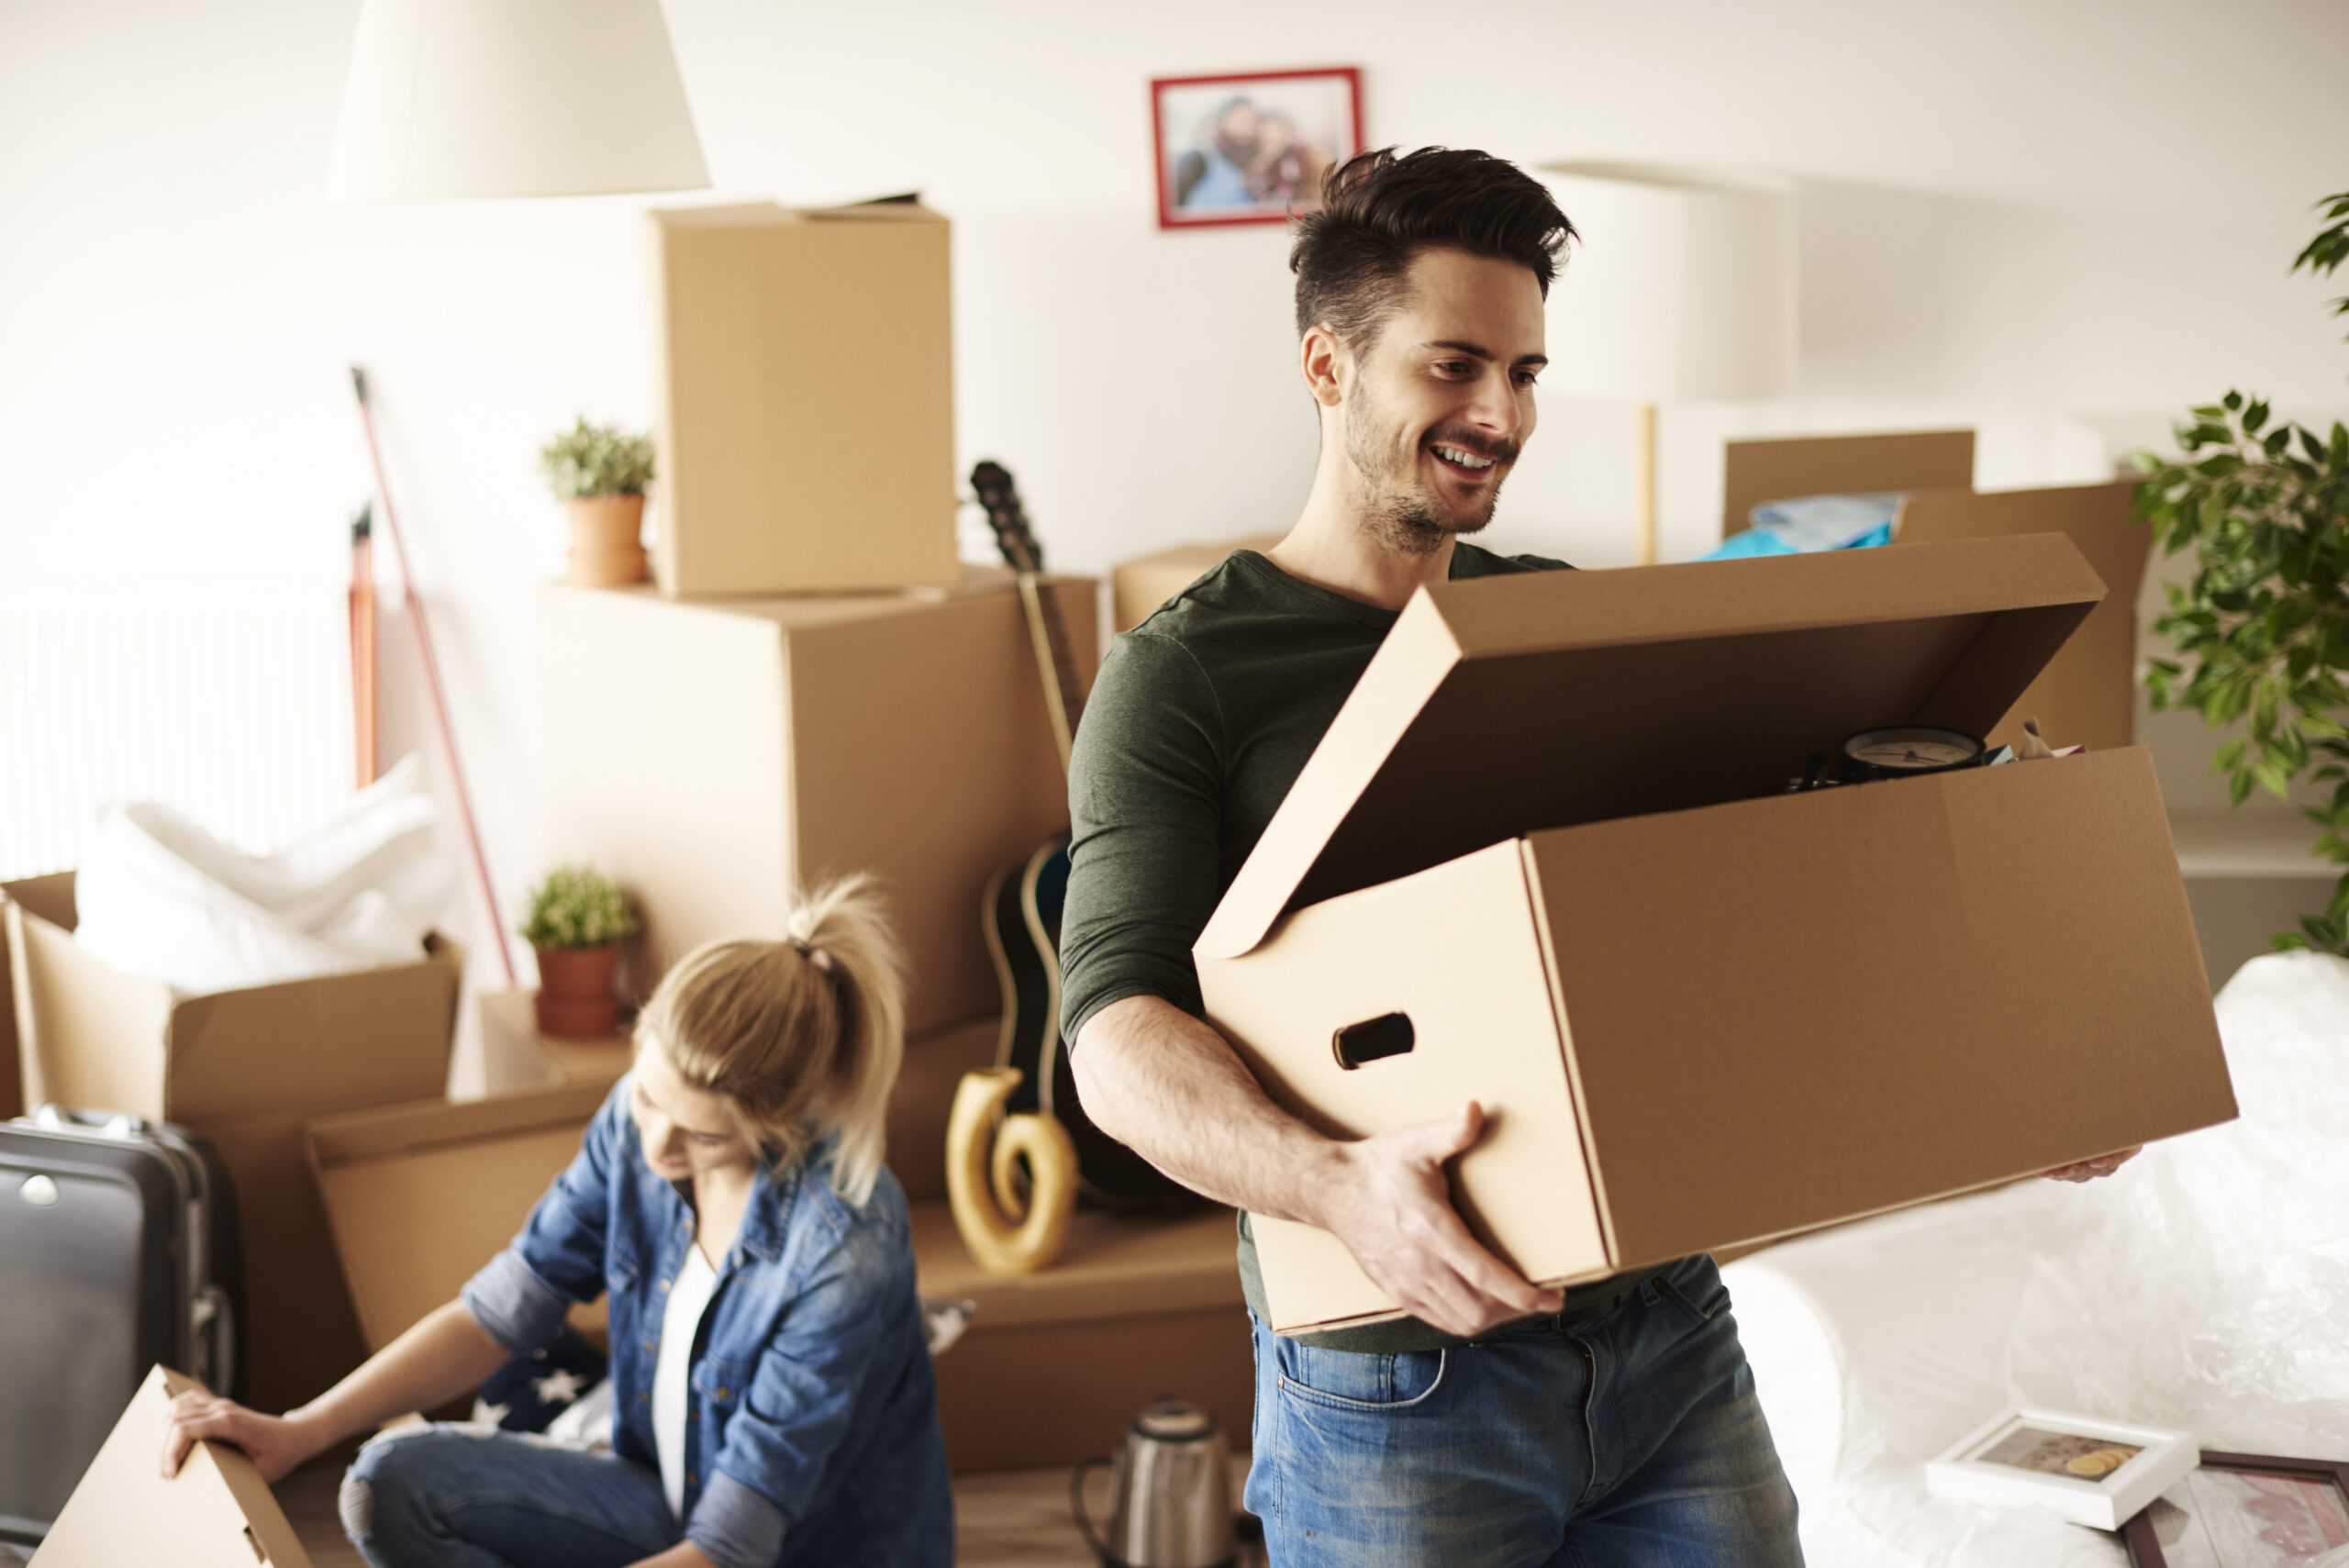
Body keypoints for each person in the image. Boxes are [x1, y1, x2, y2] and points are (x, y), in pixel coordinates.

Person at [1059, 145, 2136, 1566]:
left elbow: (1767, 897)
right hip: (1399, 1375)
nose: (1500, 414)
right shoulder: (1186, 673)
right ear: (1328, 366)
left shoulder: (1550, 621)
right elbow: (1113, 1033)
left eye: (1525, 373)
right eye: (1454, 366)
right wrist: (1335, 1186)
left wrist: (2019, 1059)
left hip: (1664, 1325)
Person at [160, 877, 953, 1568]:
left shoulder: (842, 1247)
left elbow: (730, 1546)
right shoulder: (637, 1122)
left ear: (780, 1124)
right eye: (648, 1097)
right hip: (661, 1491)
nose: (657, 1144)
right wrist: (298, 1430)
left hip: (791, 1551)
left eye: (703, 1137)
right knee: (387, 1484)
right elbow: (503, 1307)